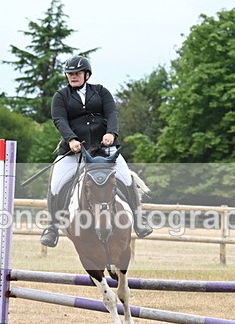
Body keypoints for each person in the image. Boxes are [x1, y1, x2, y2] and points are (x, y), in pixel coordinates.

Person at [40, 55, 152, 247]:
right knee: (56, 182)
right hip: (75, 151)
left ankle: (139, 219)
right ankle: (52, 227)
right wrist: (71, 139)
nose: (73, 77)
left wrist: (111, 133)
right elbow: (60, 120)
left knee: (127, 177)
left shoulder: (101, 92)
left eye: (77, 73)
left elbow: (112, 113)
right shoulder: (61, 96)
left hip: (104, 149)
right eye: (70, 74)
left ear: (87, 74)